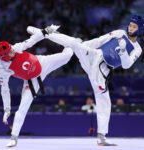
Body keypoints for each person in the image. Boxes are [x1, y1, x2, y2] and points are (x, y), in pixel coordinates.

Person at [45, 15, 144, 146]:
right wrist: (84, 46)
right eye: (130, 25)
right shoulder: (120, 33)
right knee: (75, 43)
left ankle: (101, 137)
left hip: (103, 70)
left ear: (140, 29)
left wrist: (123, 50)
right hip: (95, 55)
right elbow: (100, 40)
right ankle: (45, 33)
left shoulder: (137, 49)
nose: (131, 28)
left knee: (105, 101)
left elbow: (126, 65)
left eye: (134, 26)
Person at [0, 26, 73, 147]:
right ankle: (14, 138)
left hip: (42, 63)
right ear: (3, 57)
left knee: (68, 55)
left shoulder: (15, 47)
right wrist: (7, 109)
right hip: (32, 81)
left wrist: (45, 31)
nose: (13, 51)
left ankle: (64, 40)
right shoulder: (2, 70)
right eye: (10, 52)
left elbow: (32, 41)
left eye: (11, 48)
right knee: (22, 108)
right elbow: (5, 90)